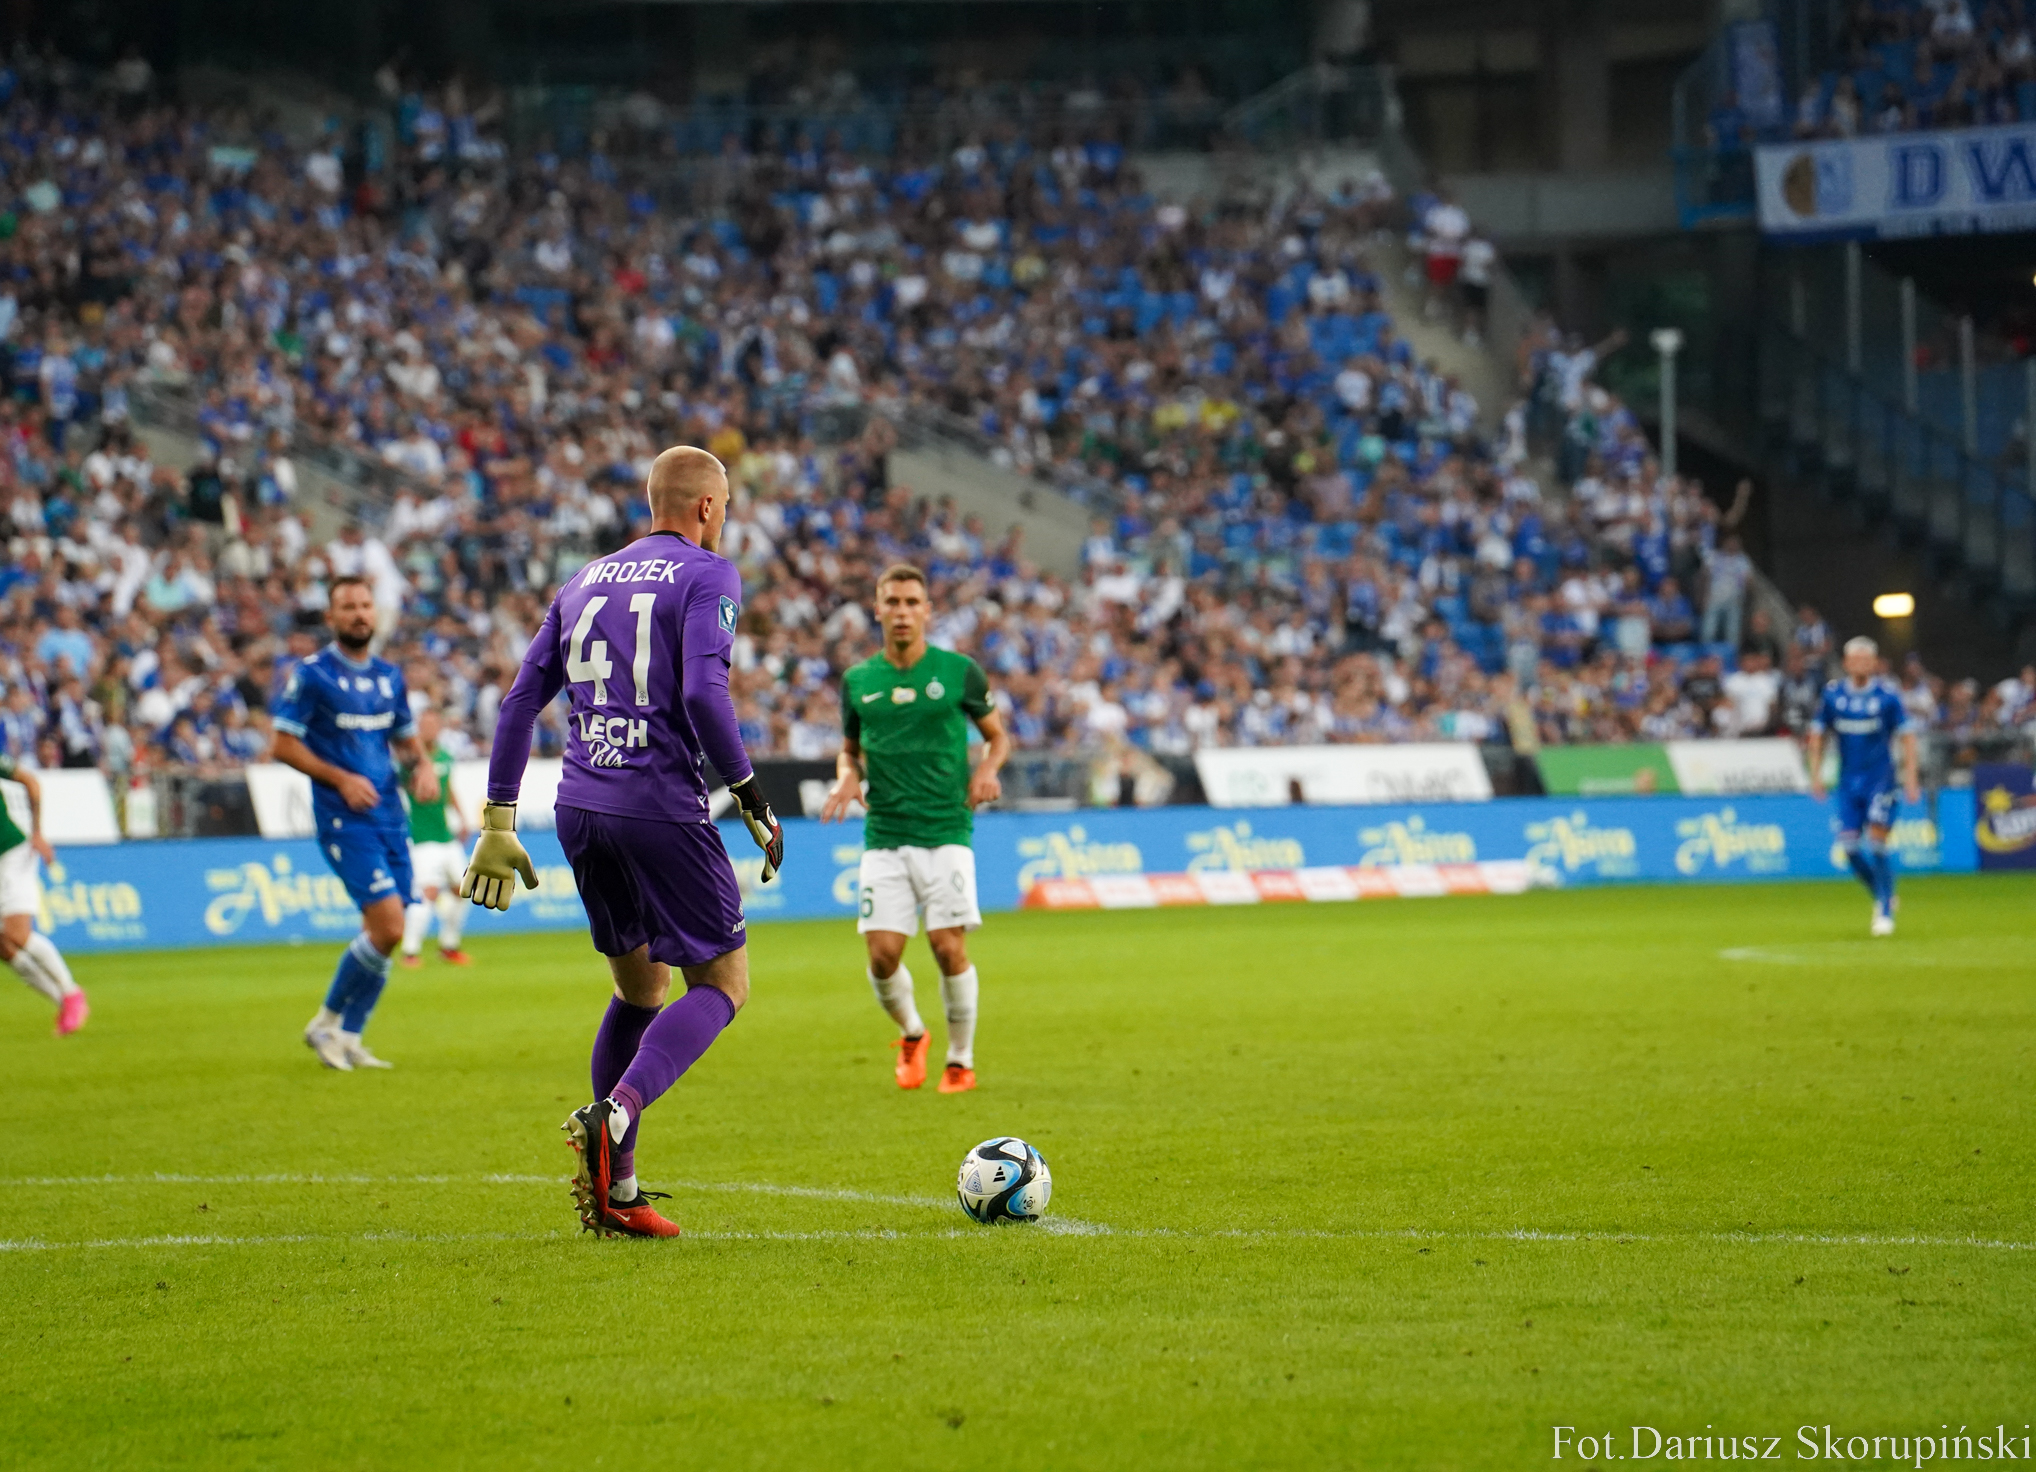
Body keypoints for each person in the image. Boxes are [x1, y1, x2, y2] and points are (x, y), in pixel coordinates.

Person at [462, 446, 784, 1240]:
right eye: (725, 505)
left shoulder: (582, 581)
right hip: (659, 806)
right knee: (724, 982)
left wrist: (498, 821)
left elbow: (518, 703)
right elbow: (703, 691)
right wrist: (748, 791)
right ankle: (618, 1110)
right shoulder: (709, 574)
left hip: (580, 808)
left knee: (641, 991)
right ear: (707, 506)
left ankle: (619, 1191)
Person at [820, 563, 1012, 1095]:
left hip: (947, 828)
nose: (902, 612)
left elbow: (998, 737)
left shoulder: (959, 671)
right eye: (893, 602)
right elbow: (849, 750)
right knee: (882, 957)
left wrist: (987, 770)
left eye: (911, 603)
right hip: (884, 833)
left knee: (948, 948)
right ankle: (912, 1033)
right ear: (877, 610)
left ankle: (960, 1061)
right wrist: (846, 776)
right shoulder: (858, 681)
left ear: (927, 611)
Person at [271, 575, 440, 1070]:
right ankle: (325, 1022)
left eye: (366, 605)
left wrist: (423, 766)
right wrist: (340, 778)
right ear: (331, 617)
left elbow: (406, 739)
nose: (360, 614)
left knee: (389, 932)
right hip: (345, 818)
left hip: (389, 815)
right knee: (388, 926)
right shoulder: (313, 675)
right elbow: (282, 744)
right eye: (348, 607)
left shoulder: (389, 676)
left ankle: (349, 1036)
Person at [1806, 636, 1920, 938]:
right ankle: (1882, 894)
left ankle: (1884, 911)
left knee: (1878, 843)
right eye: (1855, 659)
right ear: (1845, 663)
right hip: (1848, 783)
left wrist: (1911, 778)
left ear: (1874, 663)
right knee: (1850, 848)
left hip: (1880, 780)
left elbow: (1908, 737)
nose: (1860, 664)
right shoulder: (1833, 696)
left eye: (1866, 659)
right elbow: (1817, 735)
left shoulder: (1887, 696)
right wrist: (1815, 775)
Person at [0, 754, 87, 1034]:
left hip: (12, 852)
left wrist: (37, 832)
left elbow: (30, 781)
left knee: (17, 934)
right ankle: (63, 1002)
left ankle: (71, 993)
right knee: (3, 946)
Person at [398, 707, 474, 968]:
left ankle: (449, 946)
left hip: (446, 836)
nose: (428, 729)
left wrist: (461, 817)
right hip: (422, 838)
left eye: (432, 724)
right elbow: (409, 787)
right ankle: (410, 951)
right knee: (427, 892)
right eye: (424, 725)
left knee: (464, 890)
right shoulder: (411, 760)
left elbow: (447, 788)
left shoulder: (445, 756)